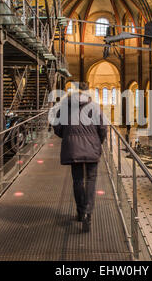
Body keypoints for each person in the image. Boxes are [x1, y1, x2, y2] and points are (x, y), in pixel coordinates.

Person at [52, 82, 107, 232]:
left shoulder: (64, 106)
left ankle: (80, 211)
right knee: (91, 180)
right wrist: (99, 142)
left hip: (73, 149)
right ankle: (88, 212)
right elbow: (103, 128)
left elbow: (56, 126)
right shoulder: (95, 107)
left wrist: (67, 136)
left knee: (77, 180)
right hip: (92, 148)